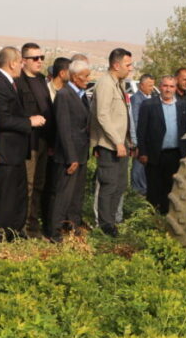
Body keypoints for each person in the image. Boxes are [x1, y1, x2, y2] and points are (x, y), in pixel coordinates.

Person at [0, 46, 45, 240]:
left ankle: (14, 232)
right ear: (13, 63)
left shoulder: (9, 81)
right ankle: (2, 236)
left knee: (18, 195)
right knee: (7, 196)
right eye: (21, 61)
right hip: (6, 149)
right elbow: (2, 119)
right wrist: (29, 121)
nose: (22, 65)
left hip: (17, 150)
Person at [90, 47, 133, 236]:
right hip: (110, 145)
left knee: (120, 184)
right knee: (108, 184)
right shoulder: (105, 84)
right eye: (127, 64)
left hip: (121, 144)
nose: (130, 68)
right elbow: (102, 115)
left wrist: (127, 141)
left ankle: (113, 221)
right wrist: (117, 142)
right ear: (116, 65)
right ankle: (105, 225)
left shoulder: (118, 83)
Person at [47, 58, 92, 241]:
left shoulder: (81, 94)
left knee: (76, 194)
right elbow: (64, 129)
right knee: (62, 194)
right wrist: (71, 157)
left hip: (81, 153)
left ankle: (72, 224)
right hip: (68, 154)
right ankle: (54, 230)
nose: (88, 79)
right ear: (74, 76)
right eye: (85, 76)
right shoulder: (64, 95)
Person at [137, 75, 186, 214]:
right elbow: (141, 130)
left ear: (175, 88)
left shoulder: (181, 105)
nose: (168, 89)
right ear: (160, 87)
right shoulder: (149, 105)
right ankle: (153, 219)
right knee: (154, 189)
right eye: (165, 86)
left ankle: (168, 217)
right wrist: (143, 152)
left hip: (175, 154)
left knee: (172, 189)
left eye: (171, 86)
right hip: (154, 155)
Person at [16, 42, 54, 236]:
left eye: (41, 58)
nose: (39, 61)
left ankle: (33, 226)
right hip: (27, 142)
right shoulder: (18, 81)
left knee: (39, 184)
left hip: (43, 141)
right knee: (28, 186)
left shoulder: (41, 80)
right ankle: (21, 228)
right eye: (35, 58)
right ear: (23, 61)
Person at [129, 74, 156, 196]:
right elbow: (135, 120)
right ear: (142, 85)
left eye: (153, 85)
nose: (152, 88)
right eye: (149, 85)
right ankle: (137, 190)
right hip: (141, 138)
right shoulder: (137, 99)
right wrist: (136, 142)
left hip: (149, 138)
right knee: (138, 165)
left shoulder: (150, 98)